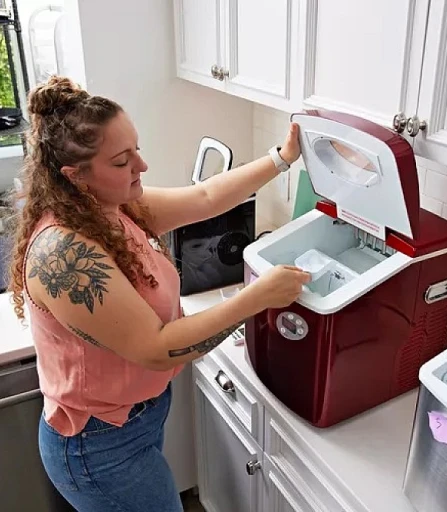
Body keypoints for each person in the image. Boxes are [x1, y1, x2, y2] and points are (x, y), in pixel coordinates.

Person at [8, 76, 310, 512]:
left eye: (137, 150)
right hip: (98, 448)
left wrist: (282, 159)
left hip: (132, 420)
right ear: (75, 177)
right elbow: (154, 348)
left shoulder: (111, 207)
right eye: (121, 161)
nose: (141, 167)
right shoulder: (63, 253)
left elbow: (206, 196)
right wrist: (257, 297)